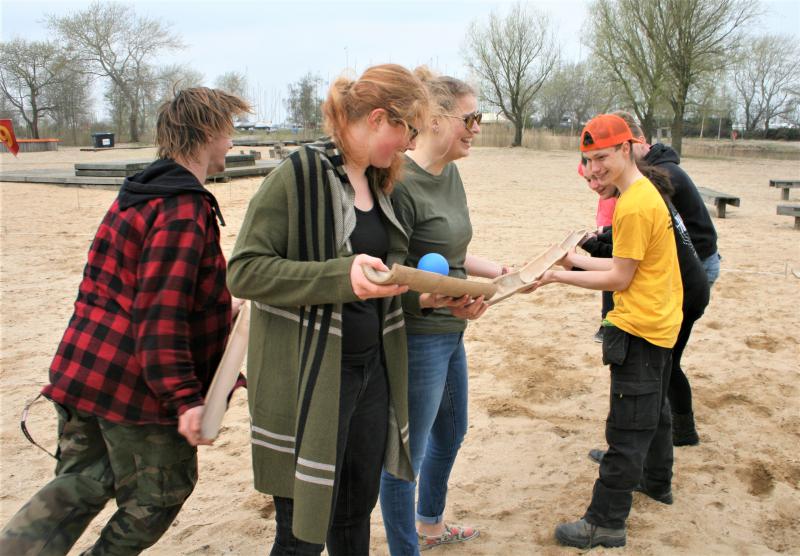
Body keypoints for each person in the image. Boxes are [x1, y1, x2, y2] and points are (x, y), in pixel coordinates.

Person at [0, 87, 250, 554]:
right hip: (133, 391)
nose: (233, 143)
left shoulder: (139, 193)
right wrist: (185, 400)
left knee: (76, 490)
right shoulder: (182, 207)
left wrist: (219, 311)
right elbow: (160, 316)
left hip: (82, 374)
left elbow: (134, 289)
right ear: (208, 133)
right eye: (229, 132)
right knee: (161, 495)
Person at [226, 64, 429, 556]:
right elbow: (245, 271)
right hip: (311, 380)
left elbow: (377, 281)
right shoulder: (297, 176)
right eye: (409, 131)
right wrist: (338, 277)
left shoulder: (383, 185)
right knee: (300, 537)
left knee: (354, 518)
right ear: (380, 118)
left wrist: (426, 295)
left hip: (369, 372)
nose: (409, 145)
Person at [533, 114, 683, 549]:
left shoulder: (634, 204)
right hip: (659, 323)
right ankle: (657, 482)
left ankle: (605, 522)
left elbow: (619, 278)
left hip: (638, 328)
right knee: (654, 414)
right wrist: (574, 260)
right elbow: (629, 266)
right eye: (587, 160)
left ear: (624, 149)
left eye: (600, 157)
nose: (593, 169)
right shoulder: (642, 193)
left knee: (627, 431)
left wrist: (558, 278)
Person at [379, 67, 508, 555]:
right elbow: (392, 271)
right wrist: (442, 296)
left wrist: (499, 272)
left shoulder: (449, 175)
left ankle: (430, 526)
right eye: (470, 118)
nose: (477, 127)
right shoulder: (401, 183)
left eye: (480, 117)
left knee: (452, 430)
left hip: (451, 329)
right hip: (417, 336)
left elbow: (452, 253)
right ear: (433, 119)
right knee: (403, 459)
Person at [612, 111, 716, 443]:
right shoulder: (654, 172)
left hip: (694, 268)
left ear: (634, 144)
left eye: (618, 149)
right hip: (692, 265)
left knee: (663, 358)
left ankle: (678, 432)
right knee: (663, 359)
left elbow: (648, 243)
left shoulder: (658, 178)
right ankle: (671, 432)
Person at [613, 111, 720, 286]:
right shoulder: (651, 169)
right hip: (689, 257)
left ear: (641, 140)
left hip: (698, 261)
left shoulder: (662, 174)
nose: (624, 156)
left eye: (626, 148)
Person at [579, 161, 616, 343]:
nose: (594, 184)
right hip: (607, 224)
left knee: (611, 282)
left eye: (598, 177)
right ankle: (607, 324)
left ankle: (608, 325)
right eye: (589, 179)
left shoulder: (634, 203)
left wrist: (556, 274)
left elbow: (618, 272)